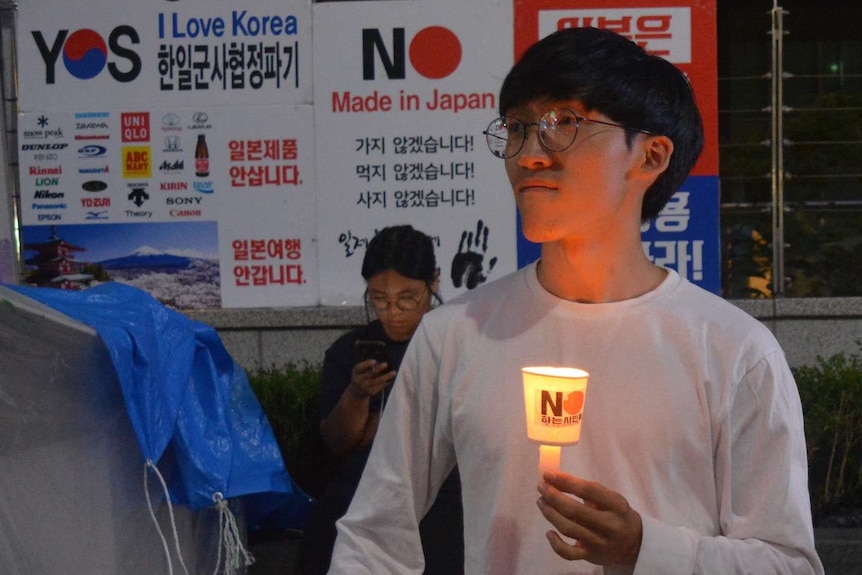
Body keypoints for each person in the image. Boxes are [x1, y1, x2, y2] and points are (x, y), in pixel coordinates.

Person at [327, 27, 824, 575]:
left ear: (651, 156)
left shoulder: (733, 351)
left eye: (563, 124)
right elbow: (374, 538)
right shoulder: (456, 334)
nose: (529, 155)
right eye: (517, 128)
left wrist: (645, 551)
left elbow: (788, 563)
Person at [299, 224, 464, 575]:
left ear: (433, 282)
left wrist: (381, 428)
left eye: (407, 298)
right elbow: (337, 443)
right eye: (379, 299)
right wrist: (357, 395)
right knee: (332, 527)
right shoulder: (349, 352)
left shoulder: (455, 342)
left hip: (441, 492)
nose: (393, 311)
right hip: (363, 489)